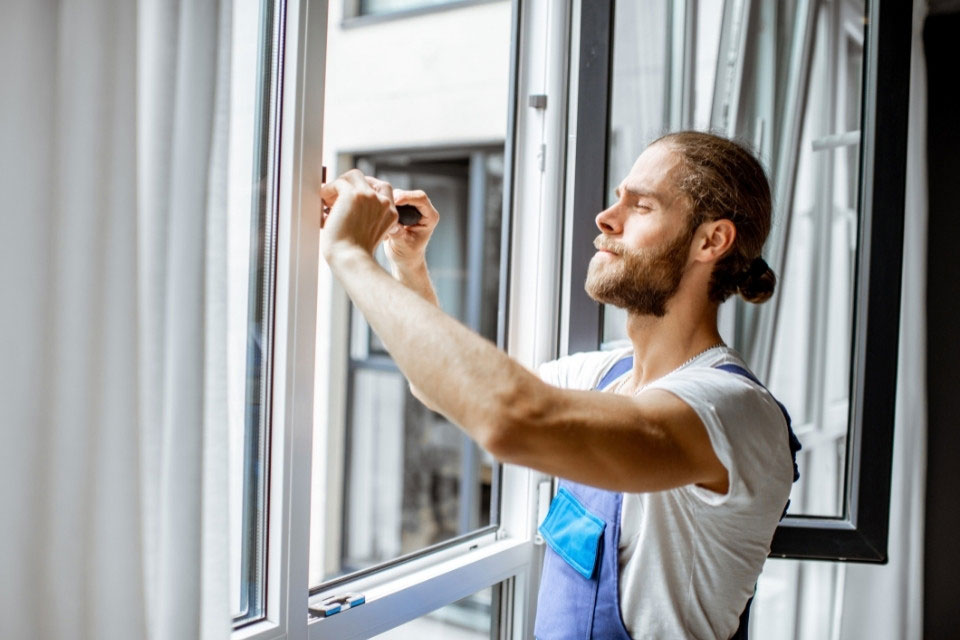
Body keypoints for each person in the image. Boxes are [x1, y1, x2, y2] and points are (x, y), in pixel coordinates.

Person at [319, 131, 800, 640]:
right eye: (617, 198)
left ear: (711, 241)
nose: (606, 219)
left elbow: (510, 419)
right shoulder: (603, 377)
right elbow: (443, 388)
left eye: (640, 205)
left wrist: (351, 256)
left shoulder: (732, 411)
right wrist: (408, 264)